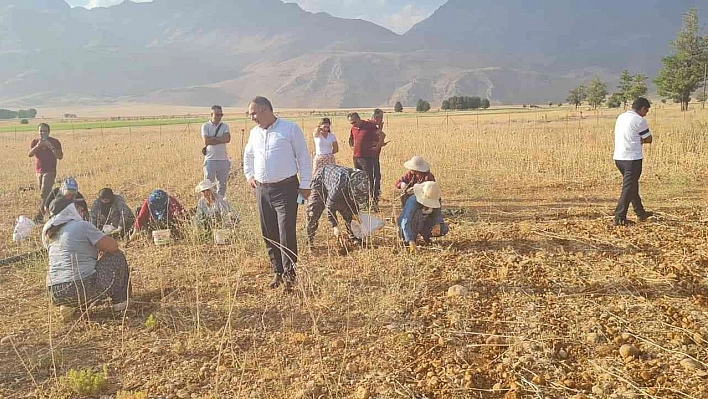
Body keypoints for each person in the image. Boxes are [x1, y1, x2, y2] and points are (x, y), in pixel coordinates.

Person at [244, 96, 312, 292]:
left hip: (287, 189)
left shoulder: (290, 129)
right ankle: (277, 271)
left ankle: (290, 275)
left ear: (266, 110)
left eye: (254, 113)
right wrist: (249, 175)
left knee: (285, 232)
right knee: (268, 231)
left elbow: (304, 158)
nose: (252, 117)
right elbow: (247, 156)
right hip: (262, 190)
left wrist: (305, 185)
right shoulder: (254, 134)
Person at [43, 197, 130, 315]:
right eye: (78, 208)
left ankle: (69, 306)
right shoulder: (81, 225)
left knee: (81, 275)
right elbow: (113, 246)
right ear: (70, 210)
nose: (81, 211)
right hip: (79, 287)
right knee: (117, 256)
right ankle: (121, 303)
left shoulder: (48, 232)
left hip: (54, 292)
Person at [613, 97, 654, 226]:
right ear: (642, 108)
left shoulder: (621, 117)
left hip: (619, 157)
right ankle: (619, 217)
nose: (646, 113)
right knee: (628, 187)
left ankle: (640, 212)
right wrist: (641, 140)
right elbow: (648, 138)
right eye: (646, 110)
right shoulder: (639, 120)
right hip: (632, 158)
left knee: (632, 185)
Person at [306, 165, 370, 247]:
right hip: (321, 179)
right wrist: (335, 227)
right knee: (313, 211)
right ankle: (309, 239)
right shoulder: (338, 187)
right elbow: (329, 207)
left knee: (352, 212)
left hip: (342, 185)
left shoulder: (362, 180)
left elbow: (354, 209)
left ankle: (354, 238)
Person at [398, 181, 449, 253]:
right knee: (417, 214)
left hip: (424, 224)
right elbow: (405, 222)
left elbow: (437, 214)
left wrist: (438, 224)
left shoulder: (435, 198)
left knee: (443, 228)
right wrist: (411, 241)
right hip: (409, 227)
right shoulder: (413, 201)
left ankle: (426, 236)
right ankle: (411, 239)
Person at [29, 123, 63, 223]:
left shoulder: (55, 142)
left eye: (45, 131)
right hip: (39, 171)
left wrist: (51, 147)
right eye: (41, 131)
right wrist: (38, 146)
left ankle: (39, 216)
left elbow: (60, 156)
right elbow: (30, 154)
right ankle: (54, 209)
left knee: (44, 193)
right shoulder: (35, 142)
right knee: (46, 194)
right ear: (38, 132)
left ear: (49, 132)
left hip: (50, 171)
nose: (42, 133)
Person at [347, 112, 381, 209]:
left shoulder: (370, 126)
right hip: (356, 158)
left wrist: (377, 146)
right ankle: (363, 203)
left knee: (369, 180)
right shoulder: (353, 128)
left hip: (368, 158)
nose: (353, 124)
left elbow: (382, 135)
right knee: (358, 180)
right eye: (351, 123)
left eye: (354, 122)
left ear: (359, 119)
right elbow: (350, 140)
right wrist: (353, 148)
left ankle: (374, 202)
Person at [201, 105, 231, 197]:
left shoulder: (225, 126)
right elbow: (206, 141)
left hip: (223, 160)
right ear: (211, 114)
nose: (219, 117)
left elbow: (227, 139)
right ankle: (210, 206)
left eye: (221, 115)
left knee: (222, 186)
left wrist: (213, 138)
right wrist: (220, 139)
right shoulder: (205, 126)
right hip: (210, 160)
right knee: (208, 186)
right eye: (217, 115)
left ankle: (220, 205)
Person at [369, 109, 388, 204]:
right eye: (381, 118)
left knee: (376, 176)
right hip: (371, 156)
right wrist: (379, 144)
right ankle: (374, 198)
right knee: (374, 177)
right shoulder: (371, 126)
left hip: (375, 155)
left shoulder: (374, 126)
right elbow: (379, 138)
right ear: (377, 118)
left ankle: (375, 197)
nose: (382, 120)